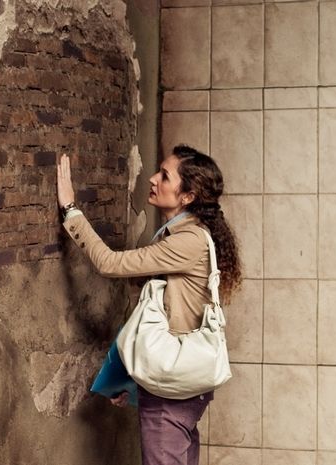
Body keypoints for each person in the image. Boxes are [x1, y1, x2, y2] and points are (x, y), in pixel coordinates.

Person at [57, 144, 242, 465]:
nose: (153, 179)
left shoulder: (188, 241)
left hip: (171, 396)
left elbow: (110, 263)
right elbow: (159, 316)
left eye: (165, 176)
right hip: (179, 389)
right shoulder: (182, 235)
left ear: (188, 196)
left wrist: (70, 210)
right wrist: (130, 380)